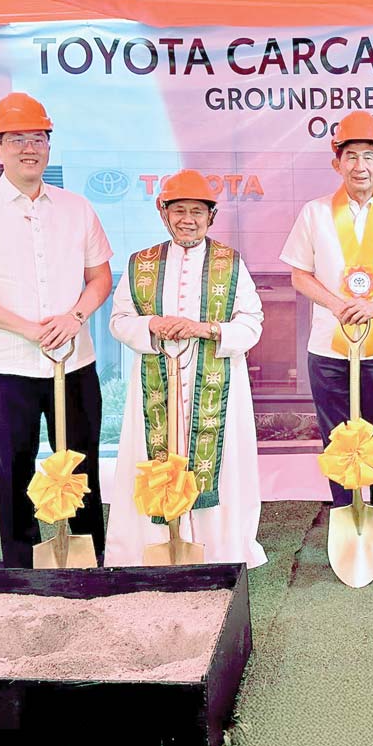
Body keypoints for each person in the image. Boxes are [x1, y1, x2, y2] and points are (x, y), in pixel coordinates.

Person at [0, 92, 113, 568]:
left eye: (37, 138)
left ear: (49, 144)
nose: (28, 148)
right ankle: (20, 567)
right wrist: (27, 329)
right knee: (12, 469)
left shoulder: (77, 208)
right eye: (16, 138)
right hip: (2, 365)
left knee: (81, 463)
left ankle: (89, 560)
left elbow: (100, 278)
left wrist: (74, 318)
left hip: (73, 362)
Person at [280, 111, 373, 567]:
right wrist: (335, 302)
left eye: (369, 156)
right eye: (350, 156)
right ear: (336, 163)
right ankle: (347, 520)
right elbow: (299, 274)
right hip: (327, 347)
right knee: (336, 440)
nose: (359, 165)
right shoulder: (314, 213)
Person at [106, 170, 266, 568]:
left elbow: (252, 323)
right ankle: (150, 545)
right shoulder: (140, 264)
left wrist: (205, 329)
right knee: (153, 454)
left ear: (211, 216)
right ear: (163, 214)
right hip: (155, 386)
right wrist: (152, 326)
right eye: (179, 210)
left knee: (219, 463)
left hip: (215, 386)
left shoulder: (231, 263)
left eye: (197, 211)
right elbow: (120, 320)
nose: (188, 219)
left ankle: (220, 549)